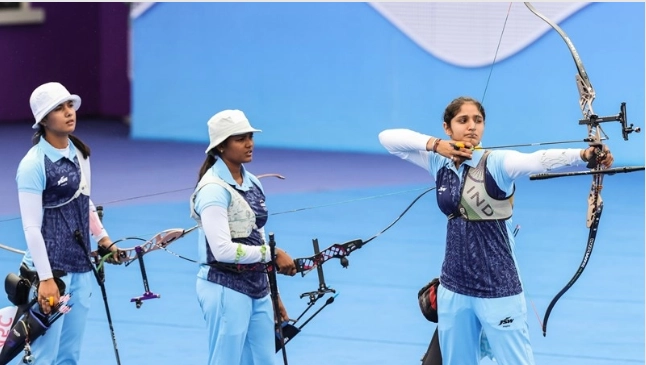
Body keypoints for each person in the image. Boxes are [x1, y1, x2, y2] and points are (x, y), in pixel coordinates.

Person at [379, 96, 613, 365]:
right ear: (447, 127)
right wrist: (435, 146)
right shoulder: (438, 162)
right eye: (462, 120)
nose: (471, 127)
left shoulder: (497, 163)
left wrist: (584, 155)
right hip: (454, 288)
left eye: (478, 120)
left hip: (499, 289)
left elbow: (537, 160)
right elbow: (388, 138)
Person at [15, 82, 121, 364]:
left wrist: (104, 239)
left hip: (82, 267)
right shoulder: (32, 165)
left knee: (69, 356)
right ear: (44, 120)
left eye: (69, 105)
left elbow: (84, 202)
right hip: (51, 275)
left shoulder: (79, 152)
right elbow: (31, 228)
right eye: (59, 109)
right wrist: (47, 279)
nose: (68, 112)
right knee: (43, 358)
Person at [189, 109, 297, 365]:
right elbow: (222, 250)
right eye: (240, 139)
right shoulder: (213, 189)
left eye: (250, 136)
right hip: (225, 286)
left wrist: (274, 293)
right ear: (221, 147)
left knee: (264, 361)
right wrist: (274, 254)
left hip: (257, 287)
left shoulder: (253, 183)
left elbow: (257, 235)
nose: (249, 144)